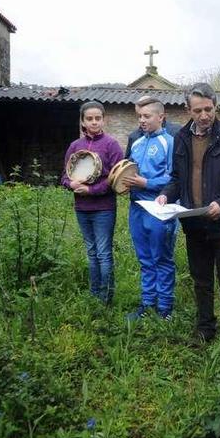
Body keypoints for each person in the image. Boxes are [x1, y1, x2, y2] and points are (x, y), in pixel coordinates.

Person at [157, 83, 220, 356]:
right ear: (188, 110)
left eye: (208, 109)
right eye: (197, 110)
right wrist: (165, 196)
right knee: (201, 280)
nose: (204, 115)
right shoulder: (181, 138)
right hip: (194, 222)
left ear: (216, 106)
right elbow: (177, 178)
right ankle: (205, 328)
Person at [61, 101, 124, 305]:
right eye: (89, 119)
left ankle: (106, 298)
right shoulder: (75, 146)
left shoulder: (111, 145)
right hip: (82, 209)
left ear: (104, 120)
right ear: (83, 121)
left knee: (104, 254)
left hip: (104, 208)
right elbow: (64, 176)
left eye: (98, 118)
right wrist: (72, 184)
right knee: (91, 252)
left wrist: (91, 190)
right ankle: (94, 295)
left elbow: (117, 179)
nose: (94, 122)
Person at [124, 98, 177, 321]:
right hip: (136, 208)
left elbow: (174, 177)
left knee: (161, 258)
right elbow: (127, 170)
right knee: (144, 259)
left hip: (159, 209)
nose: (142, 120)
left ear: (161, 117)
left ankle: (164, 309)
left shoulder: (170, 142)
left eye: (147, 116)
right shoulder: (136, 142)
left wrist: (147, 184)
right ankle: (147, 304)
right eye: (140, 117)